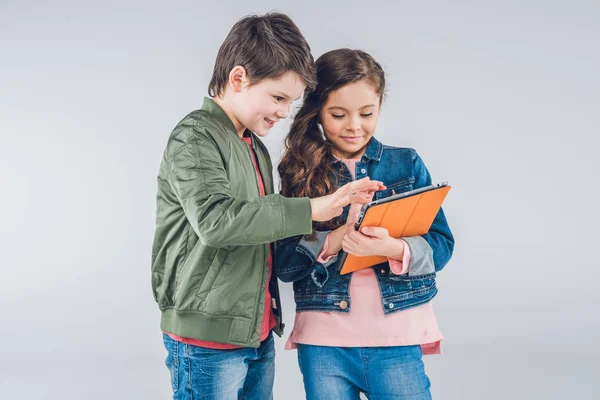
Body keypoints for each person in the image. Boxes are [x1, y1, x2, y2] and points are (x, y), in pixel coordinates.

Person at [151, 17, 383, 400]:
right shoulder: (195, 136)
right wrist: (313, 208)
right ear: (239, 78)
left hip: (255, 333)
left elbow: (261, 234)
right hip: (206, 339)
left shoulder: (255, 147)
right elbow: (217, 222)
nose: (283, 112)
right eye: (278, 98)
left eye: (290, 103)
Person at [277, 48, 455, 400]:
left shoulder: (406, 163)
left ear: (379, 107)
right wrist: (332, 241)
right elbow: (283, 264)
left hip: (396, 336)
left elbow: (442, 245)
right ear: (318, 112)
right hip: (323, 341)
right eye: (339, 114)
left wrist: (391, 248)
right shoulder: (298, 171)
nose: (354, 126)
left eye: (367, 113)